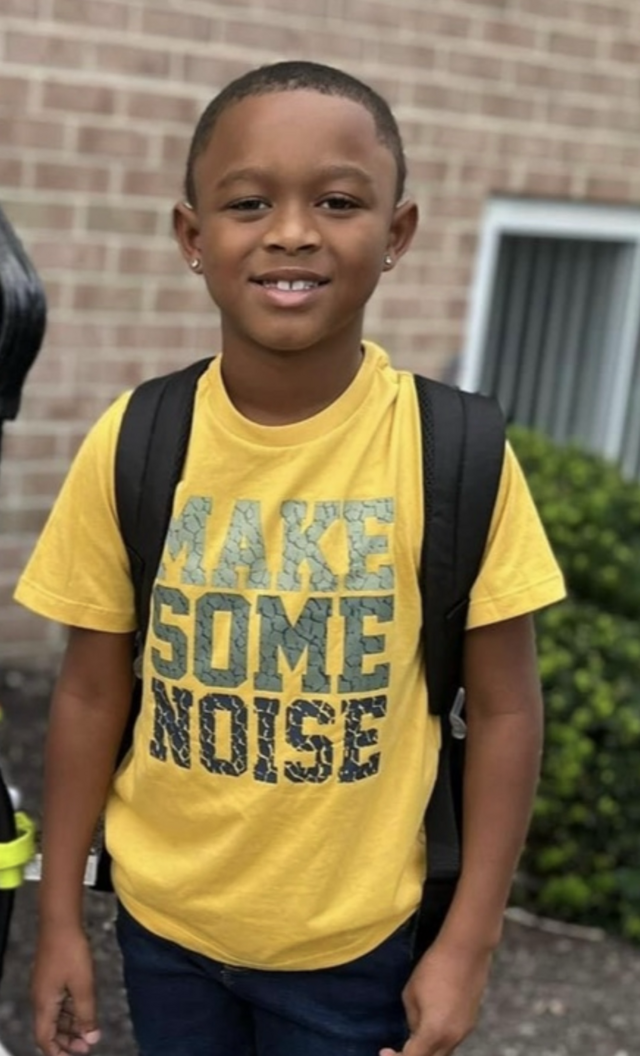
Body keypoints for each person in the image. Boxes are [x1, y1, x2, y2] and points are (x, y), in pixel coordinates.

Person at [14, 61, 565, 1056]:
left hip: (357, 955)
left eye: (339, 201)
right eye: (249, 202)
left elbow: (506, 711)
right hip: (163, 935)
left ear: (396, 233)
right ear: (193, 237)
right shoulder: (135, 440)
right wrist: (58, 918)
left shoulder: (454, 453)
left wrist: (469, 943)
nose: (293, 232)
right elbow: (91, 693)